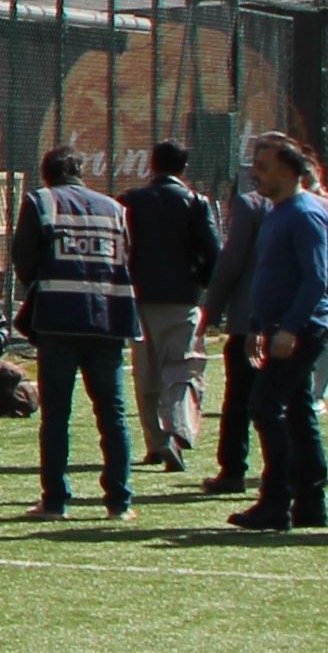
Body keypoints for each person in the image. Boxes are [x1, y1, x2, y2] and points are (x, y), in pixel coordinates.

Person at [12, 145, 142, 520]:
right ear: (81, 173)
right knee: (113, 414)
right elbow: (125, 257)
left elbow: (24, 260)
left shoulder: (41, 202)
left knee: (56, 415)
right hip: (108, 320)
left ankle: (55, 501)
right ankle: (120, 502)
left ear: (47, 173)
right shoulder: (115, 209)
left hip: (59, 320)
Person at [229, 139, 328, 534]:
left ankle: (277, 499)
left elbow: (315, 279)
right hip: (278, 325)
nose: (256, 172)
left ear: (288, 173)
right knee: (298, 411)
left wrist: (290, 327)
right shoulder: (278, 211)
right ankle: (311, 503)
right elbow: (269, 274)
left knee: (264, 405)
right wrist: (258, 325)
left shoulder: (305, 213)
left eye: (263, 166)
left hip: (302, 327)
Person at [120, 140, 221, 473]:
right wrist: (204, 283)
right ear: (184, 168)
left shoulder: (131, 202)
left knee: (145, 370)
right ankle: (176, 430)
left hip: (139, 296)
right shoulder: (194, 202)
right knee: (180, 369)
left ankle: (154, 443)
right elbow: (212, 250)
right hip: (182, 297)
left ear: (153, 164)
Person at [199, 136, 274, 496]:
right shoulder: (312, 205)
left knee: (241, 399)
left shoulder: (252, 206)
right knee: (291, 401)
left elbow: (232, 262)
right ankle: (287, 471)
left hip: (251, 318)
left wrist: (212, 308)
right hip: (291, 320)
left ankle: (232, 469)